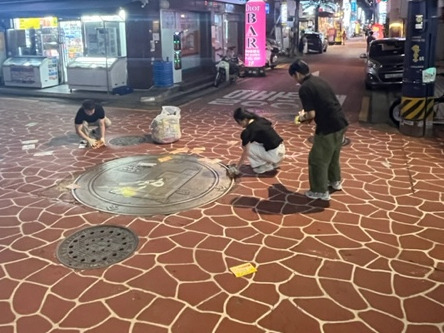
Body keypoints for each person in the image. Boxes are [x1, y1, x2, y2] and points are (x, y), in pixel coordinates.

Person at [288, 59, 349, 201]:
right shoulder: (318, 81)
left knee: (317, 159)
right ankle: (334, 182)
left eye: (293, 76)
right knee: (332, 155)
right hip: (341, 122)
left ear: (296, 74)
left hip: (328, 127)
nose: (295, 80)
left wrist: (301, 118)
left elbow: (311, 114)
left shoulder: (305, 88)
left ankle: (319, 191)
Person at [232, 107, 285, 174]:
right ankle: (274, 161)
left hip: (274, 154)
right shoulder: (261, 120)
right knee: (255, 142)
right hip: (281, 149)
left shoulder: (248, 131)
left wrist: (237, 167)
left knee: (247, 147)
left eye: (239, 122)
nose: (240, 125)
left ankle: (264, 166)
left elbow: (246, 152)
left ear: (245, 119)